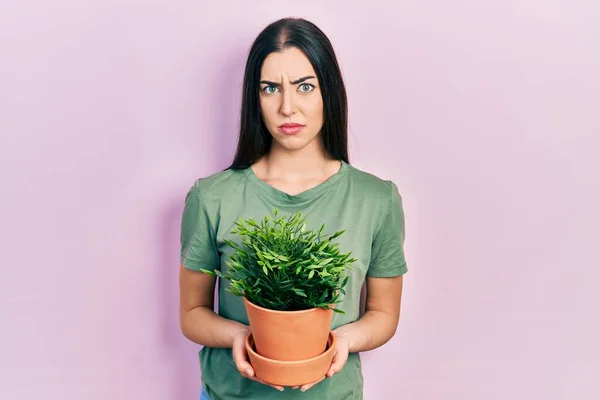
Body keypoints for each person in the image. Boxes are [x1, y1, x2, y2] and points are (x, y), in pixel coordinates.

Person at [179, 17, 408, 400]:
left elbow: (384, 314)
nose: (288, 107)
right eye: (271, 88)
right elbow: (191, 312)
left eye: (305, 87)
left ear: (328, 93)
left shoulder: (376, 199)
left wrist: (342, 340)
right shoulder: (211, 196)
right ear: (256, 98)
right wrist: (240, 336)